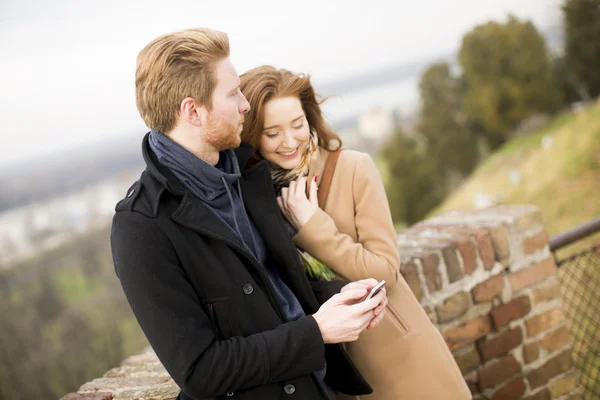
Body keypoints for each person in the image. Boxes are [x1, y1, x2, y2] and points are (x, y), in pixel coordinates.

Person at [110, 28, 389, 400]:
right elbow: (201, 372)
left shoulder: (246, 174)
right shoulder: (141, 227)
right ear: (193, 111)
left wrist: (344, 295)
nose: (245, 105)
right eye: (232, 93)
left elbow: (275, 291)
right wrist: (317, 332)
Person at [239, 66, 472, 400]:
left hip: (397, 358)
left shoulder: (352, 168)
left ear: (309, 119)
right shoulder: (254, 198)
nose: (290, 141)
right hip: (327, 374)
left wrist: (313, 228)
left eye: (297, 124)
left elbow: (385, 271)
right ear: (252, 135)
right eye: (272, 132)